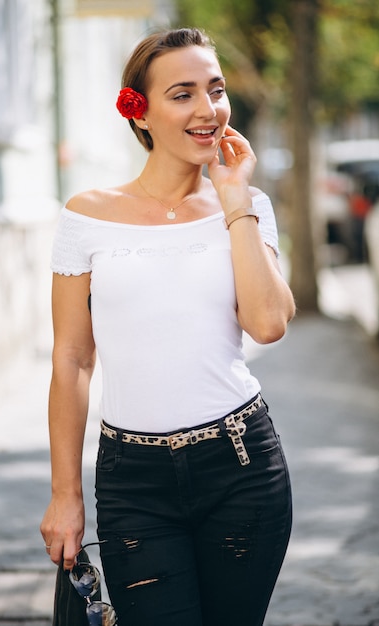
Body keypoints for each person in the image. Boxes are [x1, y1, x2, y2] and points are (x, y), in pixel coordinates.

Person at [40, 27, 296, 626]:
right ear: (141, 110)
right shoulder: (86, 217)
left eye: (216, 90)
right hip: (134, 480)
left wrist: (234, 202)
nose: (209, 111)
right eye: (183, 94)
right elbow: (72, 358)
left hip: (242, 466)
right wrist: (64, 493)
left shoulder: (247, 204)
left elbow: (267, 324)